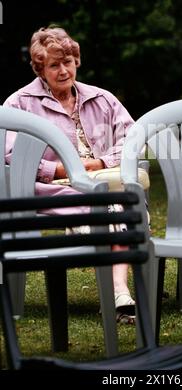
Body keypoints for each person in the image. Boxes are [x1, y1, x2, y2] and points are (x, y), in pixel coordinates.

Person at [4, 26, 136, 323]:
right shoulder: (18, 104)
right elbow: (9, 156)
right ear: (40, 69)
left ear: (77, 60)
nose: (63, 70)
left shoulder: (102, 98)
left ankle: (118, 291)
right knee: (109, 207)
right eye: (54, 65)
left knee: (118, 204)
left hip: (100, 181)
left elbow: (133, 138)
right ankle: (118, 292)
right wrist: (60, 169)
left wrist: (100, 162)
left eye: (68, 62)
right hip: (44, 188)